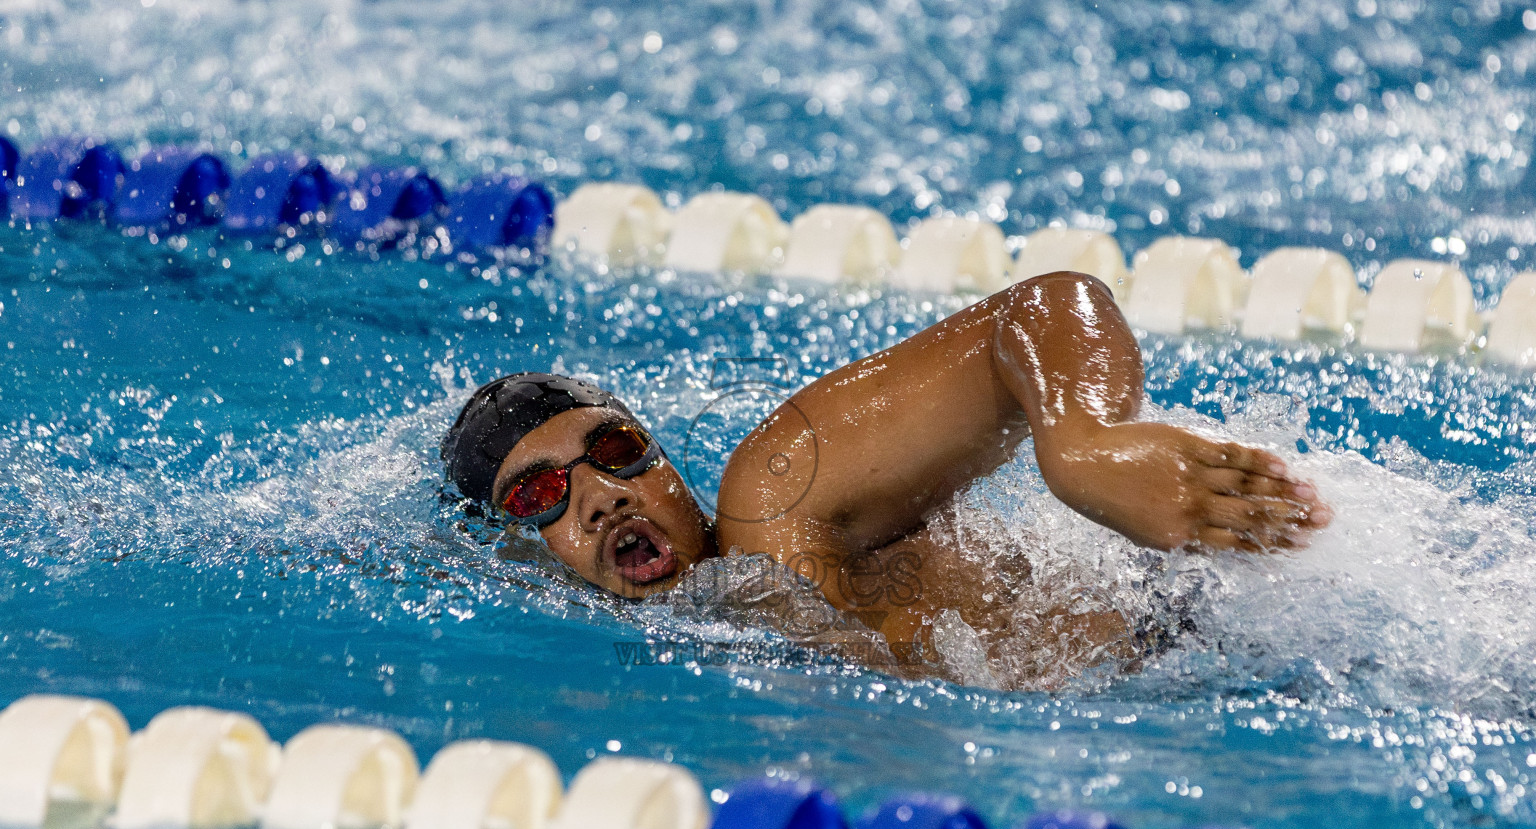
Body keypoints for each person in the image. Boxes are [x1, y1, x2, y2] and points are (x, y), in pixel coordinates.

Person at [440, 272, 1331, 683]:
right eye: (538, 497)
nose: (600, 495)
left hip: (1231, 619)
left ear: (667, 463)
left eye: (617, 449)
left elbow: (1048, 305)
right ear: (516, 553)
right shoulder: (695, 647)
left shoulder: (775, 502)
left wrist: (1085, 442)